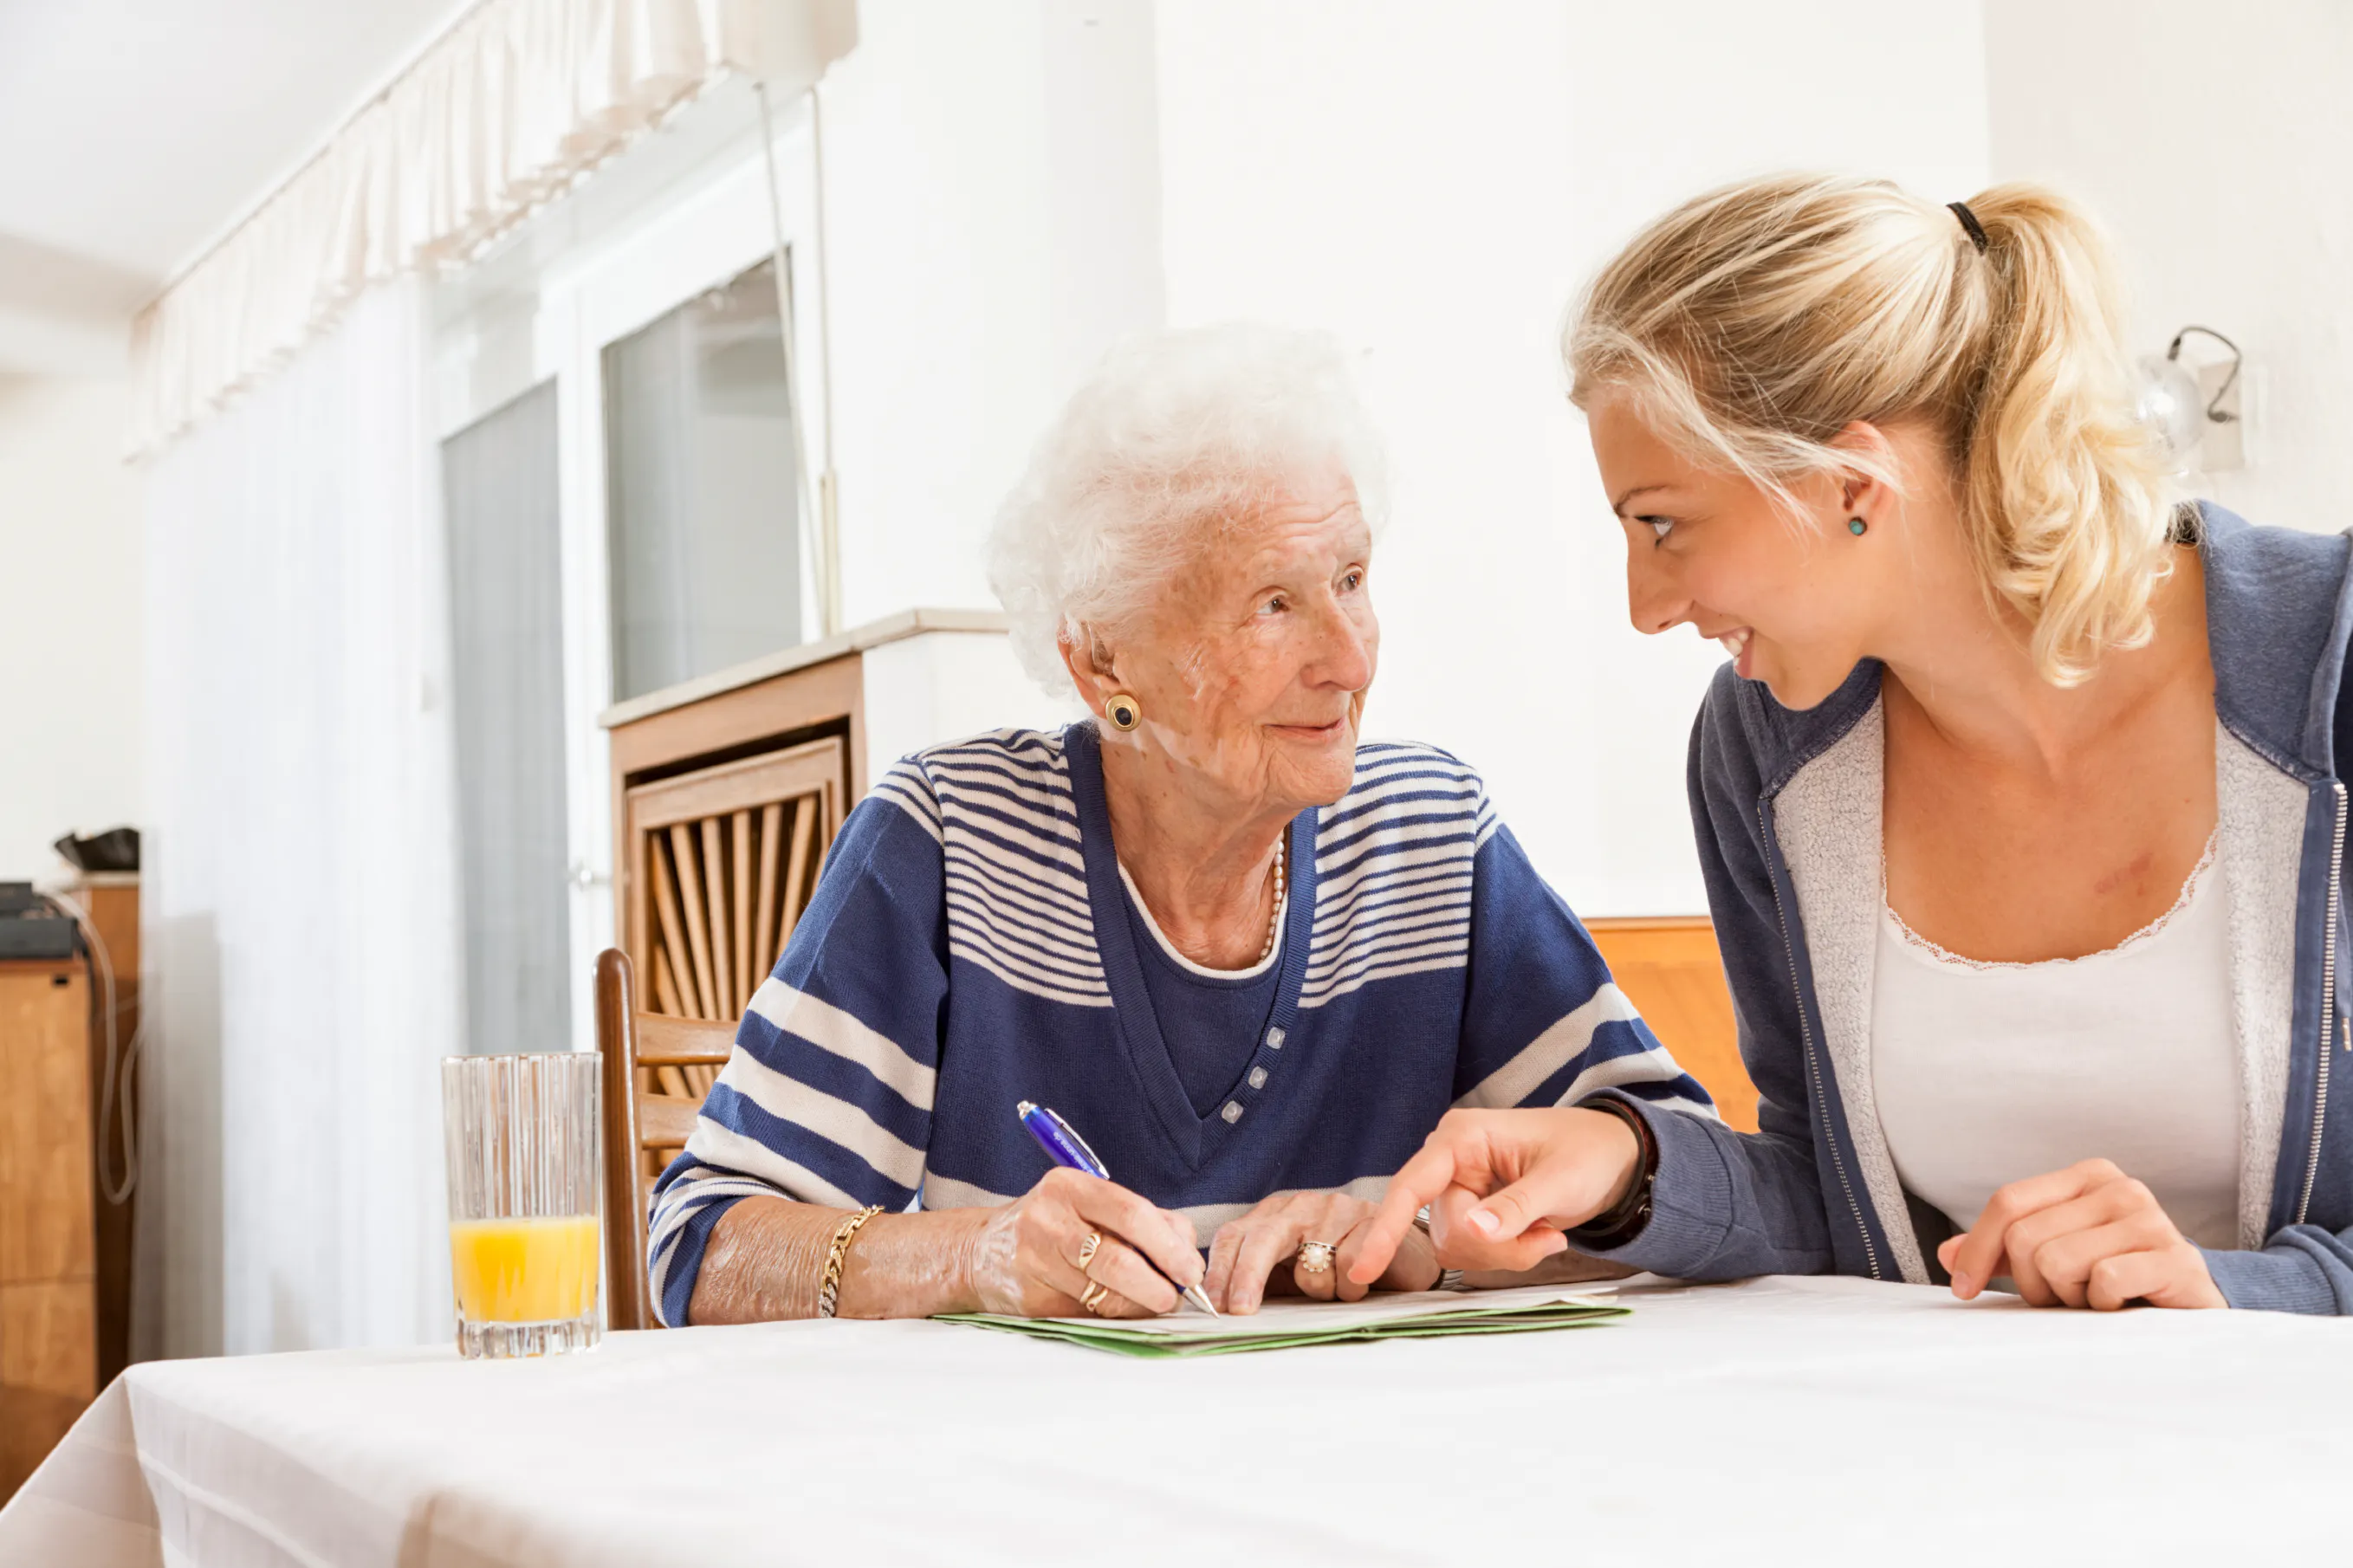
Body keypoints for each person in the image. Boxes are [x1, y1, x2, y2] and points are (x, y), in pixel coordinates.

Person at [1352, 174, 2353, 1314]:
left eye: (1663, 523)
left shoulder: (2330, 667)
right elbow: (1834, 1191)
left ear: (1847, 483)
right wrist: (1631, 1168)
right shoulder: (1767, 755)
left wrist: (2245, 1288)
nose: (1645, 603)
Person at [648, 323, 1713, 1325]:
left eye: (1350, 579)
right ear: (1103, 659)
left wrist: (1430, 1235)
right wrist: (972, 1256)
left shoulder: (1430, 840)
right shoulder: (948, 843)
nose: (1348, 660)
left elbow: (1689, 1184)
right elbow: (702, 1245)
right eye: (1272, 604)